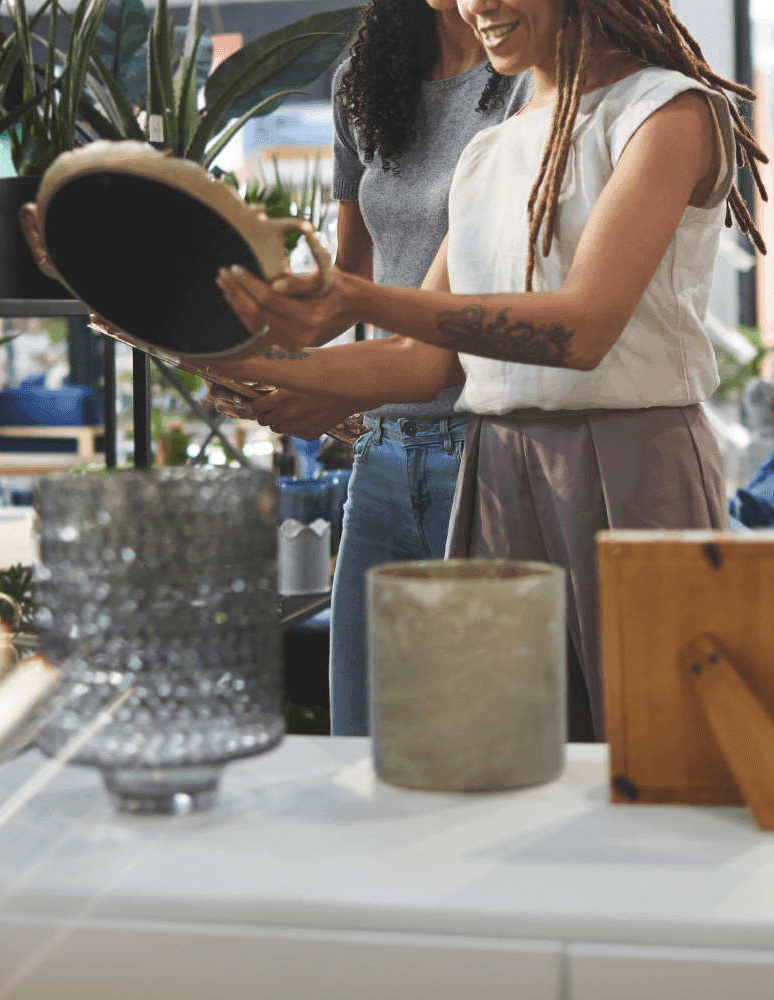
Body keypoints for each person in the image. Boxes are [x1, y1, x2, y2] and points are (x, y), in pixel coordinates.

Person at [211, 0, 769, 740]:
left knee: (656, 755)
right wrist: (238, 358)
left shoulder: (668, 112)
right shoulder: (490, 152)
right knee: (498, 764)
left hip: (632, 467)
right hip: (497, 471)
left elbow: (583, 329)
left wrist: (360, 297)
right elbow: (419, 363)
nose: (477, 4)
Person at [217, 0, 532, 737]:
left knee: (479, 738)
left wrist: (302, 377)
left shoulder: (524, 76)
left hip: (486, 450)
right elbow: (347, 287)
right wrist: (289, 369)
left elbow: (437, 337)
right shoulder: (363, 80)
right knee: (360, 736)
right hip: (383, 460)